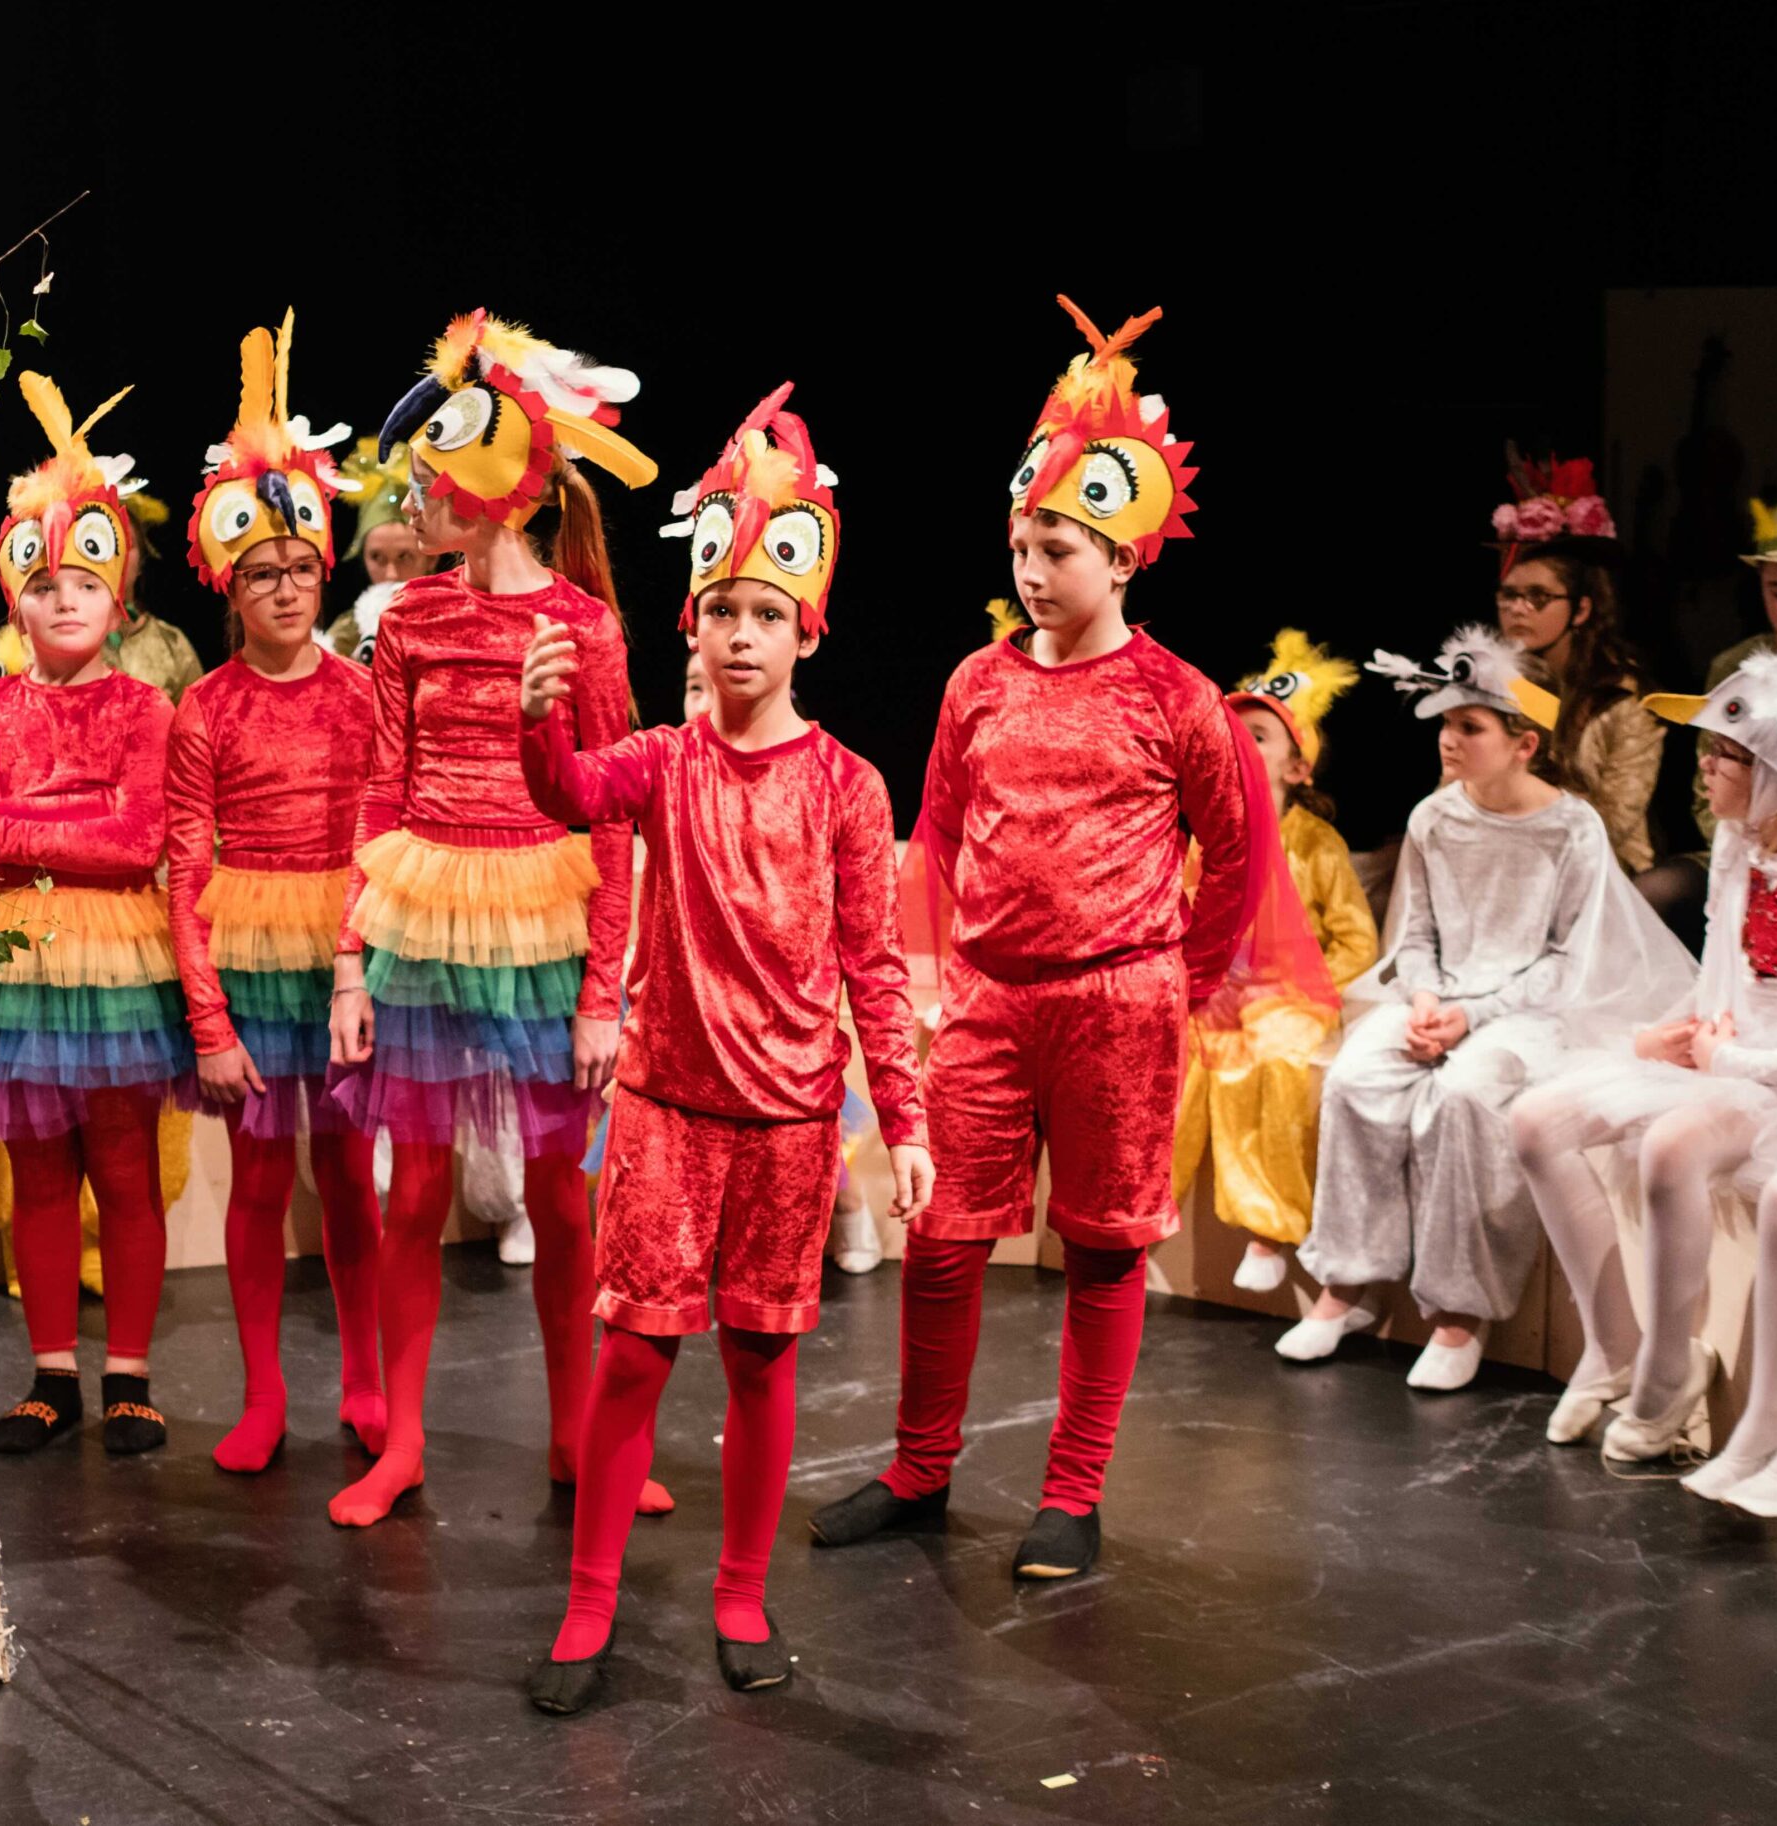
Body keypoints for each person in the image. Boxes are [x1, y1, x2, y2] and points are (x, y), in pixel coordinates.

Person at [812, 297, 1263, 1581]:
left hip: (1117, 1005)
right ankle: (919, 1466)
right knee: (944, 1237)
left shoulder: (1177, 697)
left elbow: (1235, 856)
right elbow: (941, 833)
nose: (1029, 566)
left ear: (1120, 558)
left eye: (1055, 546)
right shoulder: (976, 680)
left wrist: (1174, 981)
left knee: (1104, 1245)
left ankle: (1073, 1491)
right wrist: (937, 974)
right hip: (990, 1000)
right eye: (1019, 543)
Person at [516, 385, 932, 1714]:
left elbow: (874, 964)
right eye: (722, 611)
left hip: (791, 1122)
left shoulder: (849, 784)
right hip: (666, 1111)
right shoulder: (660, 759)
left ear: (806, 627)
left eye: (766, 612)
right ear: (691, 622)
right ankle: (589, 1605)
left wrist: (905, 1121)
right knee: (634, 1356)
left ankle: (741, 1591)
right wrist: (537, 720)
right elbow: (570, 794)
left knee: (762, 1360)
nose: (742, 633)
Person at [326, 308, 666, 1528]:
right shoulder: (408, 618)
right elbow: (379, 786)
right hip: (423, 915)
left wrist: (601, 993)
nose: (419, 495)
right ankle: (406, 1440)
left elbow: (613, 813)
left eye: (439, 479)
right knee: (413, 1190)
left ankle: (577, 1435)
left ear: (502, 493)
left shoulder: (584, 626)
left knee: (561, 1196)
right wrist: (351, 960)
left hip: (542, 923)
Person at [1283, 627, 1692, 1387]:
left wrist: (1474, 1015)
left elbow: (1568, 959)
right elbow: (1415, 935)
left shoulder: (1571, 829)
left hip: (1529, 1014)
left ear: (1524, 744)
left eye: (1469, 726)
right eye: (1446, 723)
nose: (1449, 739)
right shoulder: (1435, 817)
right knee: (1358, 1077)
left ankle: (1459, 1310)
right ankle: (1349, 1279)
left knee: (1467, 1096)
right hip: (1438, 997)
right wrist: (1427, 999)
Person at [0, 372, 191, 1457]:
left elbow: (137, 841)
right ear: (16, 597)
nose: (63, 600)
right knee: (38, 1171)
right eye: (42, 583)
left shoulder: (145, 707)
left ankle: (129, 1372)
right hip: (17, 962)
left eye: (85, 580)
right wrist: (22, 829)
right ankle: (52, 1373)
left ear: (118, 593)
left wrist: (10, 829)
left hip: (121, 961)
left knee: (123, 1166)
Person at [168, 312, 386, 1472]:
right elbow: (185, 867)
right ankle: (262, 1396)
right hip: (249, 955)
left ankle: (367, 1381)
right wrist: (208, 1020)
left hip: (344, 954)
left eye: (301, 568)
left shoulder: (361, 696)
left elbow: (379, 834)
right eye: (264, 573)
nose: (288, 588)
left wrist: (362, 959)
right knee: (260, 1173)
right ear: (230, 583)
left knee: (347, 1172)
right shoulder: (203, 709)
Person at [1511, 652, 1777, 1485]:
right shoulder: (1739, 847)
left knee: (1672, 1145)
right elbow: (1722, 978)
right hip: (1724, 1056)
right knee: (1536, 1120)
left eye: (1725, 755)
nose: (1704, 768)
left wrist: (1727, 1056)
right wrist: (1664, 1037)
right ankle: (1614, 1347)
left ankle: (1668, 1382)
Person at [1173, 632, 1377, 1292]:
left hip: (1288, 999)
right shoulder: (1205, 835)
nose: (1239, 744)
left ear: (1296, 767)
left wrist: (1301, 987)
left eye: (1258, 736)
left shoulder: (1317, 844)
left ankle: (1268, 1227)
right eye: (1233, 732)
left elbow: (1356, 942)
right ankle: (1150, 1203)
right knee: (1173, 1057)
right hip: (1214, 991)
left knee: (1267, 1063)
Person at [1487, 451, 1663, 873]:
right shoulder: (1492, 683)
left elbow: (1612, 820)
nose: (1518, 609)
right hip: (1499, 856)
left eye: (1538, 597)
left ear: (1581, 609)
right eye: (1509, 595)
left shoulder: (1622, 697)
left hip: (1600, 869)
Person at [1687, 499, 1777, 845]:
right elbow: (1706, 796)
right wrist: (1753, 848)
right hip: (1742, 843)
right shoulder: (1736, 668)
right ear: (1761, 584)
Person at [329, 435, 434, 661]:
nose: (391, 574)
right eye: (377, 558)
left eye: (404, 557)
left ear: (431, 558)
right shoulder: (344, 637)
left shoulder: (454, 620)